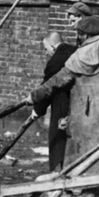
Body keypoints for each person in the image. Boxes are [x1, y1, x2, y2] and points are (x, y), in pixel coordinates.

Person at [28, 16, 99, 197]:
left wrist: (35, 96)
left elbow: (60, 79)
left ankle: (89, 192)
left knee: (88, 147)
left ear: (84, 34)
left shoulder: (84, 52)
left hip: (90, 109)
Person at [31, 32, 77, 172]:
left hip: (63, 101)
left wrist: (38, 109)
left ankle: (58, 170)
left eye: (46, 49)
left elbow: (48, 87)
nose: (46, 53)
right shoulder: (74, 51)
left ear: (52, 46)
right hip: (78, 102)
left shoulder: (56, 61)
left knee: (58, 137)